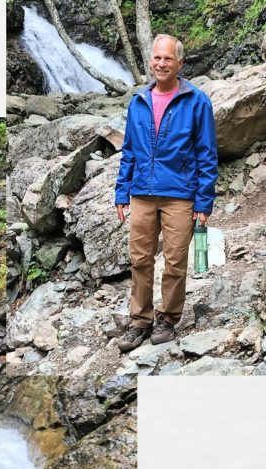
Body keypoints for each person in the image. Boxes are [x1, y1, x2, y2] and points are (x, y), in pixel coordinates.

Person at [114, 34, 218, 352]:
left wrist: (204, 200)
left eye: (168, 59)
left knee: (175, 262)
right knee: (140, 260)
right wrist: (122, 191)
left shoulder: (197, 101)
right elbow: (129, 150)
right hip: (142, 193)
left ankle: (169, 319)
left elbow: (207, 153)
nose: (162, 64)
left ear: (179, 64)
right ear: (151, 61)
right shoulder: (138, 101)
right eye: (157, 58)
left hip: (179, 194)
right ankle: (140, 323)